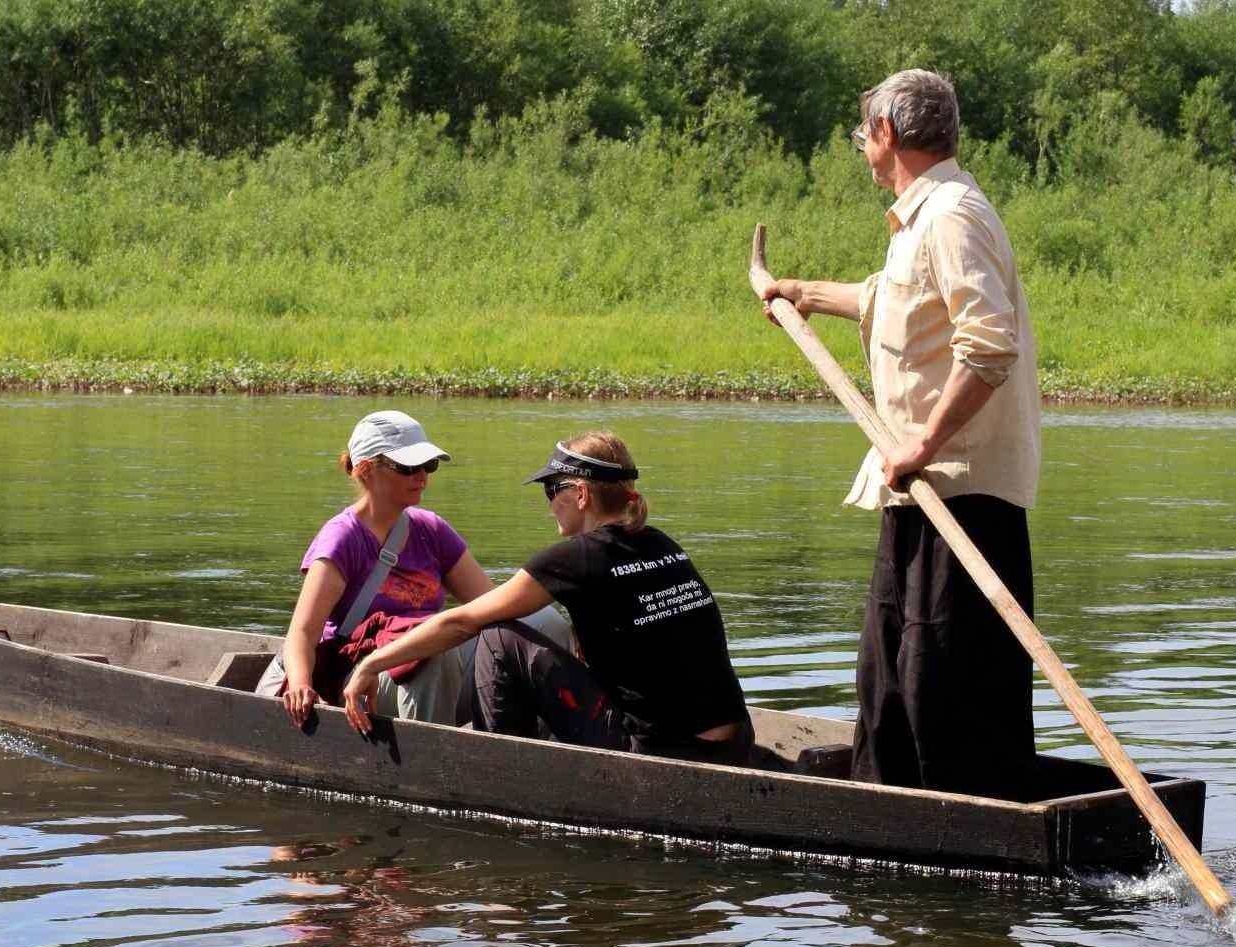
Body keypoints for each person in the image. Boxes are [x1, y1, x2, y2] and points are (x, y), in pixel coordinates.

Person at [758, 69, 1041, 799]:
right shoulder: (925, 218)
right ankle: (892, 822)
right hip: (919, 493)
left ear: (885, 134)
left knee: (938, 688)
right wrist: (804, 295)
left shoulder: (950, 215)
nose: (863, 150)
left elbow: (987, 345)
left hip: (957, 495)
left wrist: (923, 445)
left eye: (863, 136)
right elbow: (896, 304)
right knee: (888, 680)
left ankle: (953, 833)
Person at [341, 431, 754, 768]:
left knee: (499, 636)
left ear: (580, 494)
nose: (549, 504)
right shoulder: (661, 542)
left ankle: (497, 770)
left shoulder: (573, 559)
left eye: (550, 490)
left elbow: (461, 622)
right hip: (735, 740)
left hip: (660, 752)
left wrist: (373, 663)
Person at [257, 410, 493, 727]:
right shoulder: (343, 537)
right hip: (356, 678)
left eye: (428, 465)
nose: (422, 476)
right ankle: (430, 763)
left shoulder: (432, 530)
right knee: (433, 651)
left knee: (521, 627)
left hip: (424, 671)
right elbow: (302, 632)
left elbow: (491, 605)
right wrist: (300, 685)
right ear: (366, 470)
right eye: (408, 467)